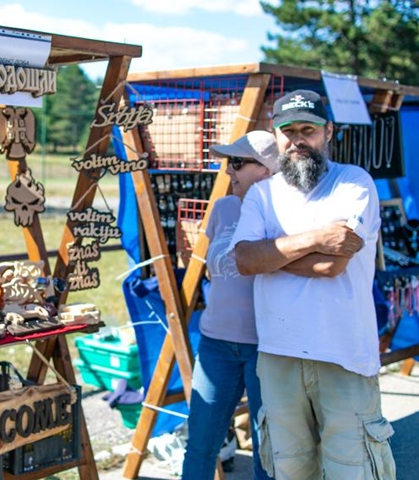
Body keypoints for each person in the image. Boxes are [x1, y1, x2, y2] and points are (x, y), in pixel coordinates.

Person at [232, 89, 396, 479]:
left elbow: (331, 265)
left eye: (309, 129)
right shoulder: (262, 194)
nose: (298, 140)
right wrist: (314, 238)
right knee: (291, 471)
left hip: (343, 354)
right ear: (276, 136)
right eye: (288, 132)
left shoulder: (353, 183)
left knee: (351, 470)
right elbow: (244, 260)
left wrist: (271, 255)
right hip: (278, 355)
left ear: (329, 132)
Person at [181, 130, 279, 480]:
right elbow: (213, 269)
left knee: (266, 450)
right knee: (200, 444)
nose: (228, 171)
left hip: (266, 348)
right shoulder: (222, 207)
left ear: (267, 169)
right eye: (227, 162)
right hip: (215, 345)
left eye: (236, 162)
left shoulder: (287, 215)